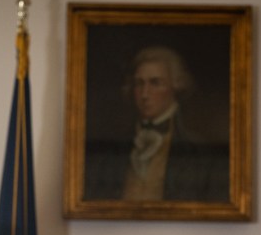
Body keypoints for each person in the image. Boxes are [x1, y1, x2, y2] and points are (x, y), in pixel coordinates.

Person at [83, 47, 230, 202]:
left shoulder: (203, 155)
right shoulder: (110, 154)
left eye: (155, 83)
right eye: (139, 84)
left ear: (176, 86)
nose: (145, 94)